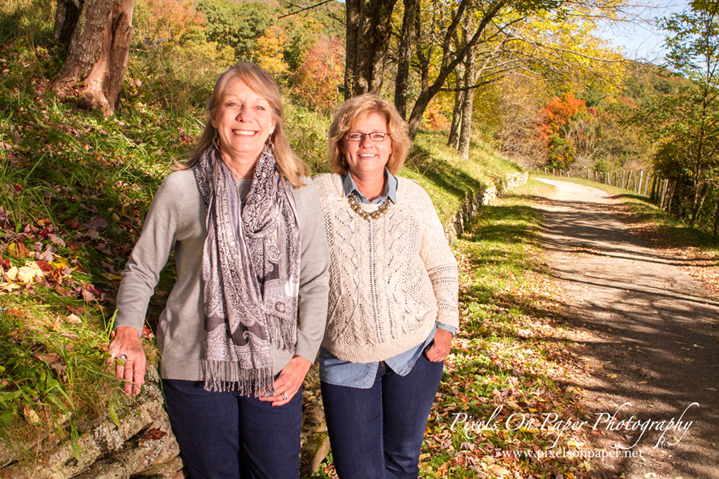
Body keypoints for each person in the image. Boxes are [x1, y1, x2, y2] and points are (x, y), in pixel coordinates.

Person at [108, 63, 330, 479]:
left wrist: (303, 356)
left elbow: (317, 280)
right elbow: (142, 268)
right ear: (215, 116)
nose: (246, 117)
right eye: (233, 104)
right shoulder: (182, 188)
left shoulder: (300, 193)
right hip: (197, 366)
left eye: (259, 107)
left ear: (274, 122)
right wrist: (129, 329)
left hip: (274, 368)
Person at [313, 94, 459, 479]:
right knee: (358, 471)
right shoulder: (319, 194)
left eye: (377, 135)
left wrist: (446, 327)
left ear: (392, 143)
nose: (367, 144)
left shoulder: (414, 197)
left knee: (402, 462)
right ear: (341, 144)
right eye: (356, 135)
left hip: (415, 350)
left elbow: (442, 265)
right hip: (346, 354)